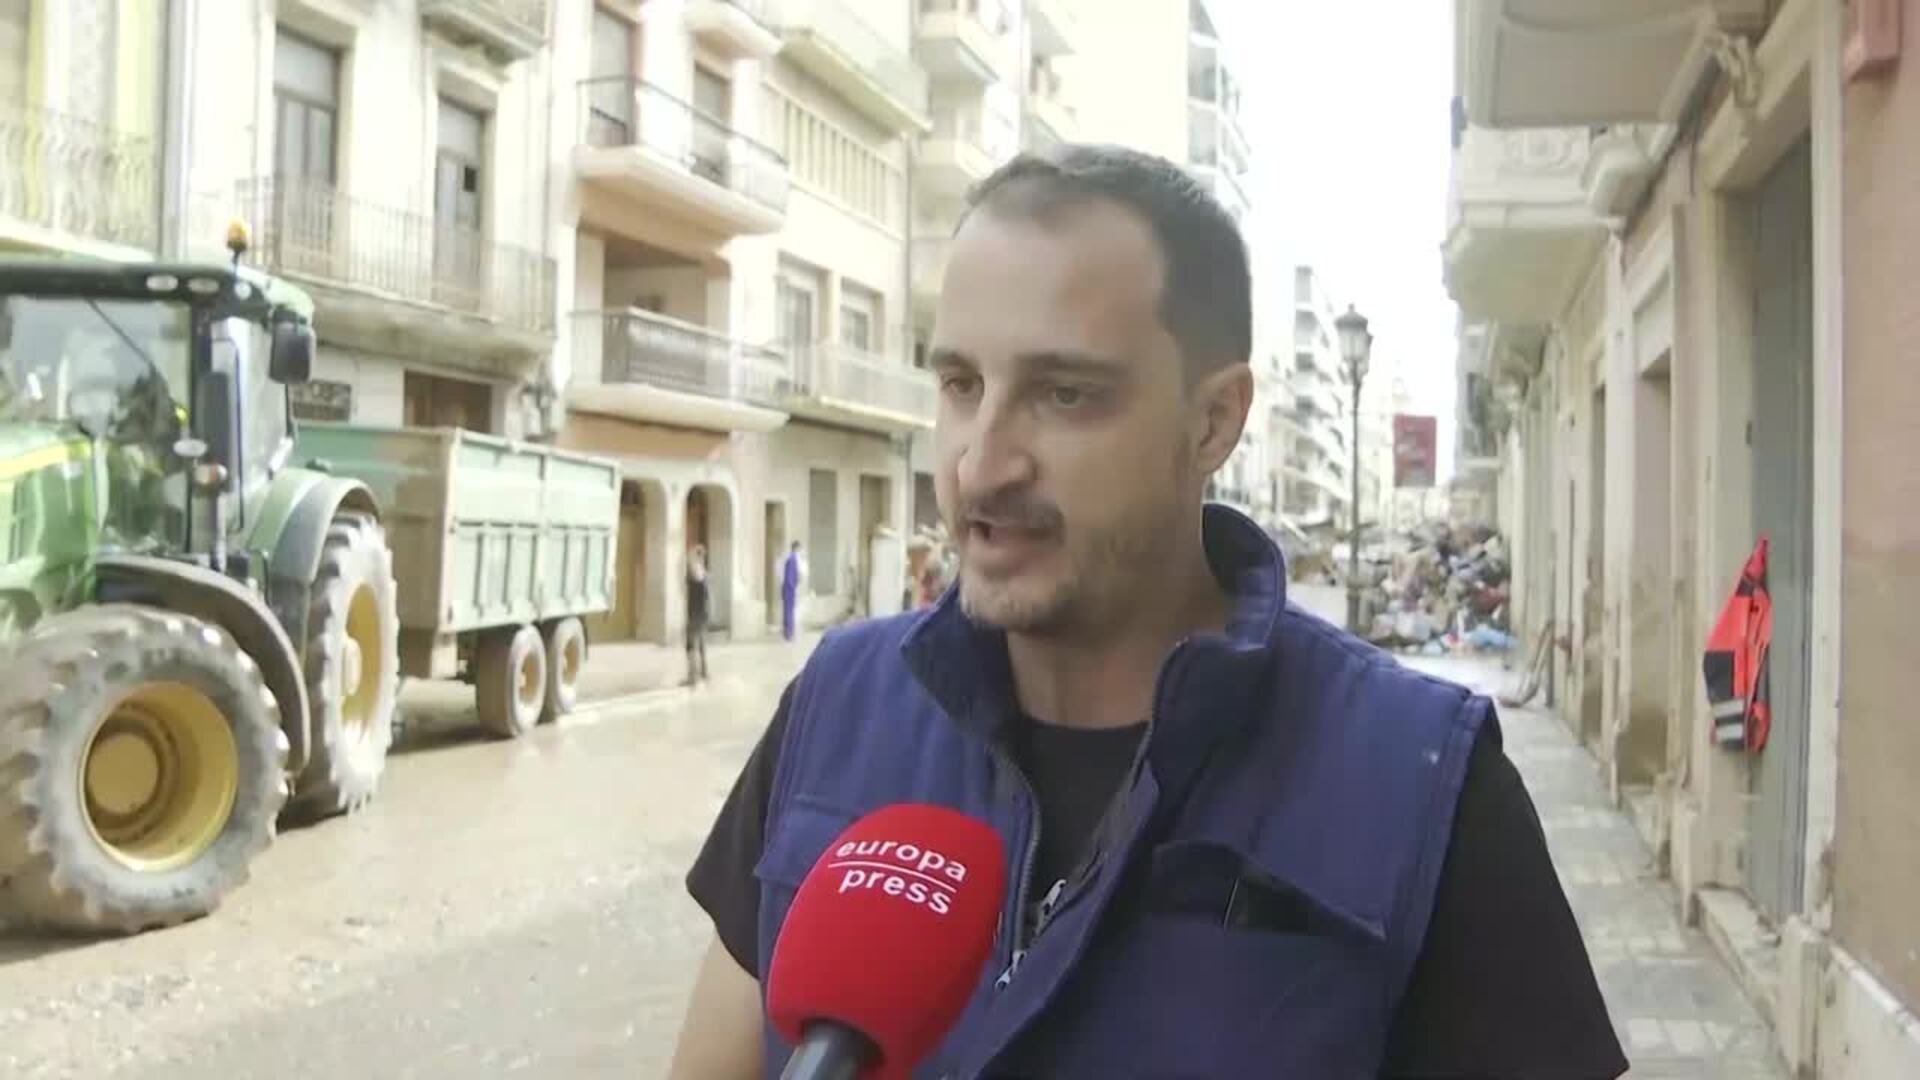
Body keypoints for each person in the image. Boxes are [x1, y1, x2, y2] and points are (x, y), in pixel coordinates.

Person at [669, 145, 1627, 1079]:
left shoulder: (1423, 783)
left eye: (1065, 394)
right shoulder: (837, 706)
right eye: (961, 384)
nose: (981, 464)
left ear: (1213, 422)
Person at [684, 544, 710, 686]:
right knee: (700, 644)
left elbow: (689, 562)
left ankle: (693, 676)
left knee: (691, 645)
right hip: (702, 613)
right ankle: (703, 672)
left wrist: (692, 555)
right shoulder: (704, 575)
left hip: (695, 614)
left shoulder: (695, 574)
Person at [778, 541, 804, 642]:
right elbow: (790, 575)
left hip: (787, 587)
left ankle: (787, 632)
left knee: (787, 610)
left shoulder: (788, 558)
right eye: (799, 549)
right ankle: (789, 633)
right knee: (789, 610)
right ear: (796, 548)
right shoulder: (792, 559)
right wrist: (793, 585)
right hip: (789, 588)